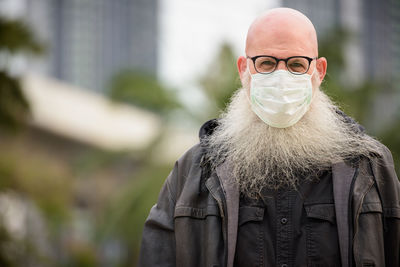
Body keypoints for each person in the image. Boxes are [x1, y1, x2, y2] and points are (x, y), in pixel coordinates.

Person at [139, 8, 400, 267]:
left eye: (297, 64)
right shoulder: (191, 172)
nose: (281, 77)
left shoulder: (370, 168)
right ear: (244, 69)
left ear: (318, 71)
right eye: (267, 63)